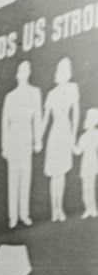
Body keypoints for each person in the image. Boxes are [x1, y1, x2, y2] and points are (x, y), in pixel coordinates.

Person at [0, 60, 42, 228]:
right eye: (20, 71)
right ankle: (13, 216)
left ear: (28, 73)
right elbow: (5, 122)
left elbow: (37, 117)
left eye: (26, 71)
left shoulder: (34, 93)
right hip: (13, 141)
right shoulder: (10, 96)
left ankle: (24, 214)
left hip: (26, 140)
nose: (22, 74)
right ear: (17, 75)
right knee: (13, 178)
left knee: (26, 178)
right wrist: (4, 146)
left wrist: (38, 140)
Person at [41, 57, 80, 223]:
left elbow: (76, 114)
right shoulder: (52, 94)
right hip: (55, 133)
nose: (64, 73)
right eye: (61, 70)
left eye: (66, 70)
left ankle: (60, 208)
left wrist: (73, 137)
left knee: (62, 174)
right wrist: (39, 138)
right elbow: (45, 119)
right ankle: (54, 209)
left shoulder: (73, 88)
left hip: (66, 132)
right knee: (54, 174)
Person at [75, 107, 98, 219]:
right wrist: (71, 144)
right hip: (85, 163)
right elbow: (78, 152)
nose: (87, 120)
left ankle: (93, 209)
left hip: (93, 161)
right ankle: (87, 209)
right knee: (85, 187)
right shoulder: (83, 137)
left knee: (91, 186)